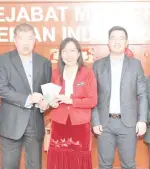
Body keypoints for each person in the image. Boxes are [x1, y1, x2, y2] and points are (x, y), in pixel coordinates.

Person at [0, 23, 52, 169]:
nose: (26, 43)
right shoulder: (3, 60)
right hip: (11, 122)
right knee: (9, 165)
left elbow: (47, 90)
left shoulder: (44, 62)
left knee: (35, 165)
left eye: (30, 38)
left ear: (35, 41)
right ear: (15, 40)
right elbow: (1, 90)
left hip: (35, 122)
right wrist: (28, 99)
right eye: (22, 38)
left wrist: (46, 102)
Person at [92, 26, 148, 169]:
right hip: (105, 123)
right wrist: (95, 120)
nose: (117, 41)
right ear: (108, 42)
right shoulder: (98, 65)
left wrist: (142, 120)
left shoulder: (135, 65)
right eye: (113, 38)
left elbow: (142, 94)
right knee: (104, 165)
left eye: (121, 38)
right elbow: (93, 95)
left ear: (126, 42)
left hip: (128, 124)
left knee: (129, 165)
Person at [45, 37, 97, 169]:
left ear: (79, 54)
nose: (69, 55)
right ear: (60, 54)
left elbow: (92, 101)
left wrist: (71, 100)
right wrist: (52, 103)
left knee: (79, 160)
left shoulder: (87, 73)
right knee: (58, 160)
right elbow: (50, 97)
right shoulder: (55, 73)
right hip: (59, 123)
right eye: (65, 51)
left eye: (72, 51)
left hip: (79, 124)